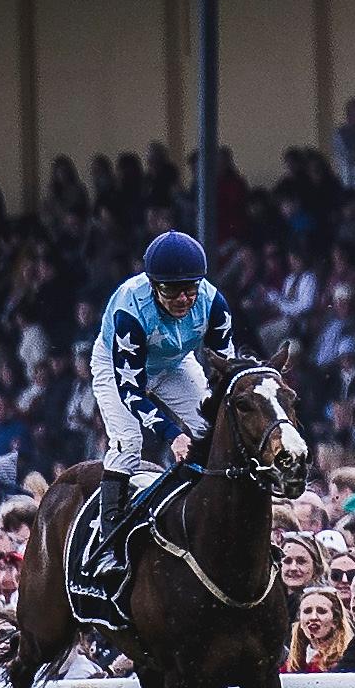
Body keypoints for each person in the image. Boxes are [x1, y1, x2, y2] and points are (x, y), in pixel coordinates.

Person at [81, 231, 239, 600]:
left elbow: (224, 369)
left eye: (190, 289)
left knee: (212, 427)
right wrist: (172, 434)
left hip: (174, 362)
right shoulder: (129, 312)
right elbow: (131, 391)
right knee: (129, 442)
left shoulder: (214, 303)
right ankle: (109, 543)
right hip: (118, 368)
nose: (184, 299)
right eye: (173, 291)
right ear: (154, 287)